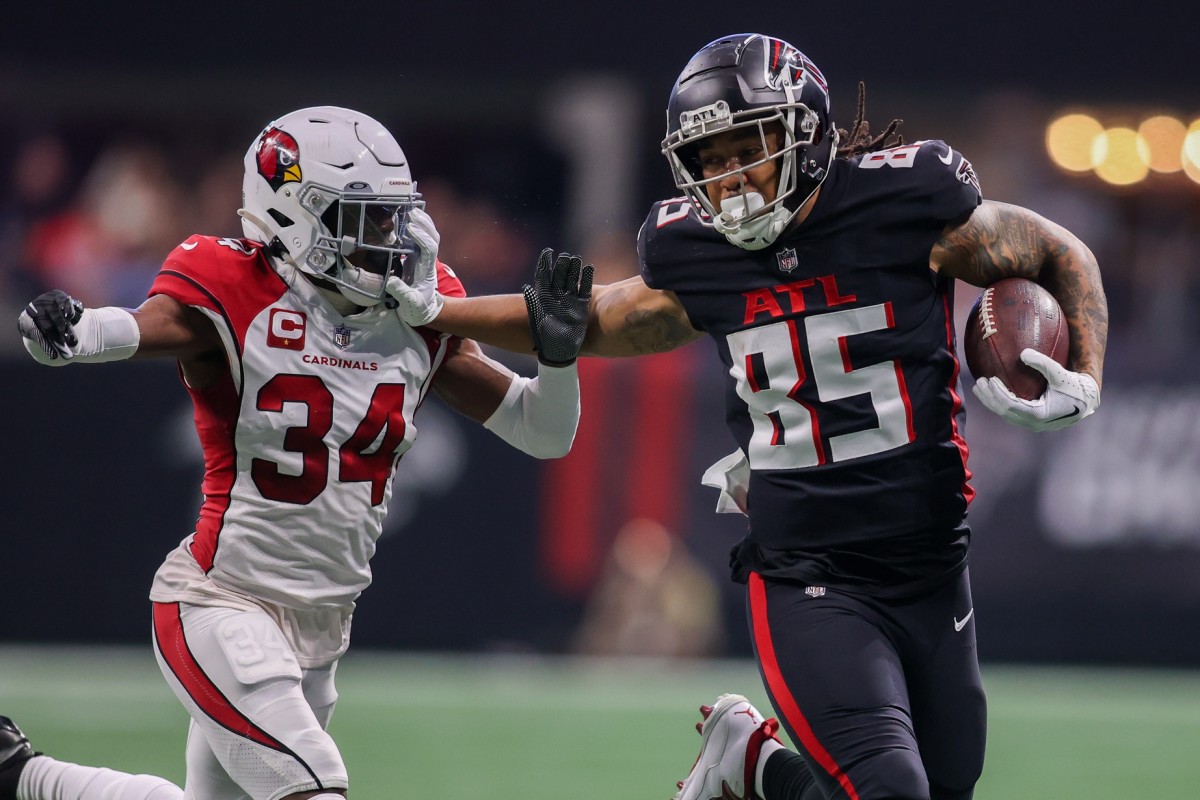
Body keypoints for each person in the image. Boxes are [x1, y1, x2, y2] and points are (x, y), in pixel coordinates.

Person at [386, 33, 1108, 800]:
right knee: (893, 792)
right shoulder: (697, 253)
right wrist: (438, 314)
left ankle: (755, 768)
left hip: (933, 562)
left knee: (940, 787)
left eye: (747, 149)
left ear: (807, 137)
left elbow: (1057, 252)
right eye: (708, 160)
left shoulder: (903, 203)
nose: (728, 181)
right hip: (812, 573)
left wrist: (1086, 377)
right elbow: (592, 319)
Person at [1, 106, 592, 800]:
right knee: (317, 788)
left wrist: (558, 362)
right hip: (219, 604)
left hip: (320, 630)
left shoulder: (415, 319)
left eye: (394, 217)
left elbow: (542, 431)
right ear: (292, 218)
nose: (390, 240)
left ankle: (21, 776)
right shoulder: (233, 286)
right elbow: (138, 327)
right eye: (365, 219)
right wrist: (73, 330)